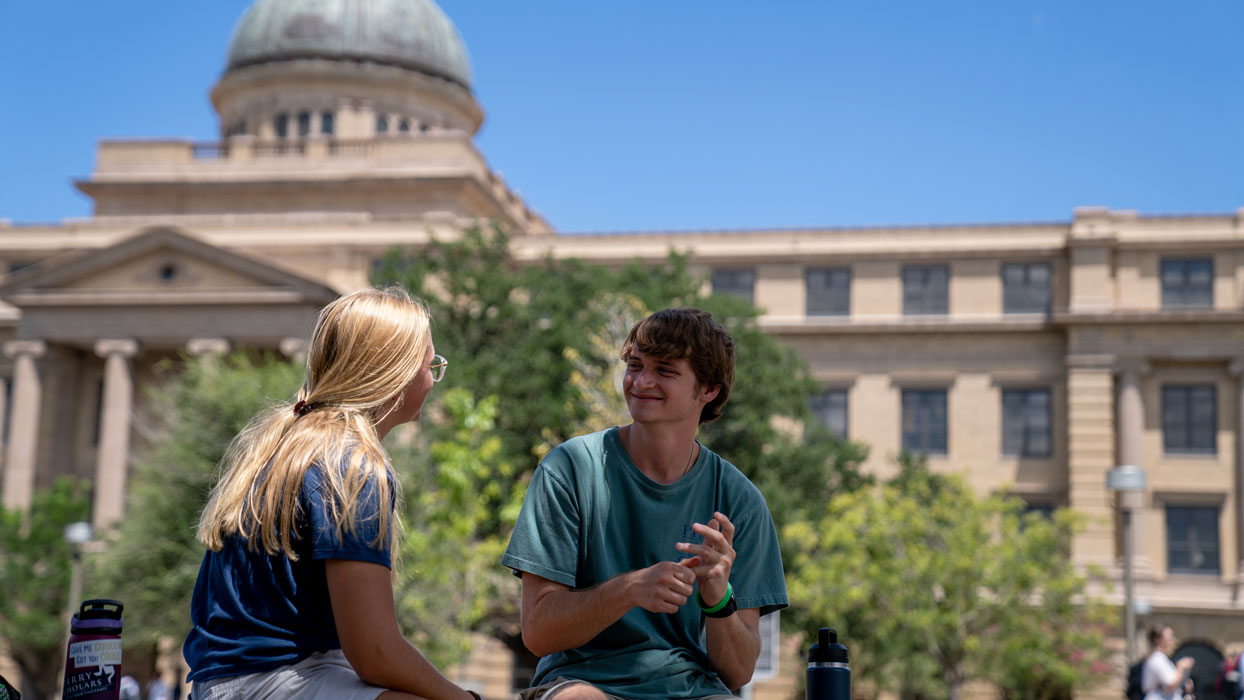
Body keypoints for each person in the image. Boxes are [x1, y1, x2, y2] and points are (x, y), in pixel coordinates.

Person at [182, 287, 475, 700]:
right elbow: (374, 652)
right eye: (431, 365)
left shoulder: (284, 444)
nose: (432, 379)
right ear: (396, 374)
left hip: (223, 685)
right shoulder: (351, 467)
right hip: (279, 680)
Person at [502, 307, 788, 700]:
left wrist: (719, 597)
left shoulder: (740, 501)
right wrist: (630, 589)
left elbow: (737, 672)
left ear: (709, 390)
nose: (641, 381)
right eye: (635, 365)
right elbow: (537, 632)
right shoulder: (568, 470)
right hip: (578, 684)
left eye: (665, 370)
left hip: (692, 689)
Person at [1142, 626, 1195, 700]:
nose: (1173, 640)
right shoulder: (1156, 659)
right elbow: (1171, 684)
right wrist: (1180, 667)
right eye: (1170, 637)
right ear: (1158, 639)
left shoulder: (1163, 659)